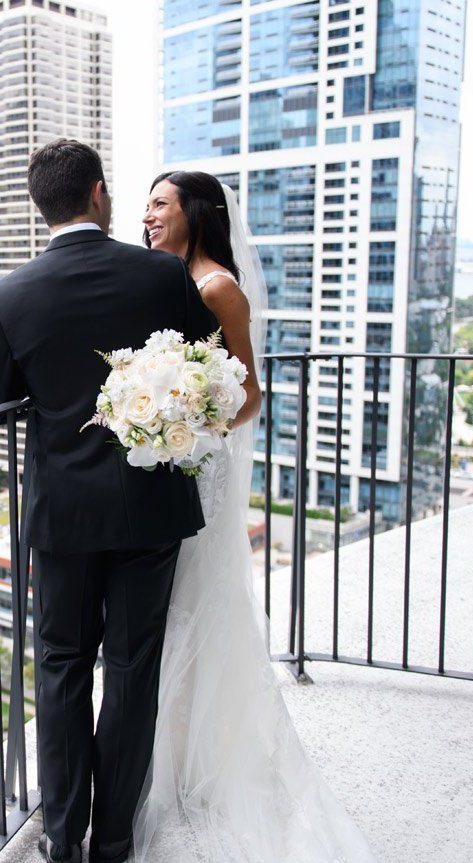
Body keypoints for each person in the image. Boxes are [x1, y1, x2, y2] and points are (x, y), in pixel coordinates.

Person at [0, 139, 220, 863]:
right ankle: (114, 840)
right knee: (132, 667)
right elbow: (204, 367)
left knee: (61, 663)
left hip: (65, 513)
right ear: (99, 192)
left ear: (43, 203)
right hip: (150, 504)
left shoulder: (10, 293)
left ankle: (62, 836)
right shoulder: (161, 274)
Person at [135, 170, 377, 861]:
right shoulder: (167, 278)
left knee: (196, 609)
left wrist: (190, 417)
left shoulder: (218, 286)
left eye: (160, 203)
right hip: (171, 465)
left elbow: (248, 392)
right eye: (147, 203)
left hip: (200, 471)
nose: (147, 214)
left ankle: (189, 764)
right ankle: (170, 757)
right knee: (169, 612)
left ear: (196, 214)